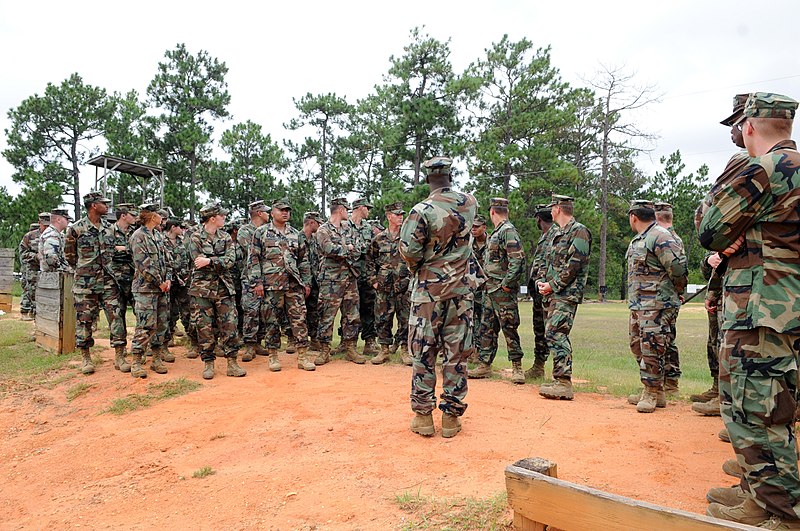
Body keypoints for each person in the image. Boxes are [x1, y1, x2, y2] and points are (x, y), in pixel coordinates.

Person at [700, 93, 800, 528]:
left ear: (750, 126)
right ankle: (759, 498)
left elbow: (709, 228)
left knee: (756, 412)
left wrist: (731, 233)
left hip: (762, 311)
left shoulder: (765, 169)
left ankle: (786, 513)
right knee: (772, 407)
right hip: (786, 306)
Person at [400, 156, 480, 438]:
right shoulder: (469, 203)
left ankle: (423, 417)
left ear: (427, 178)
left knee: (423, 352)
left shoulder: (420, 210)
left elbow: (409, 251)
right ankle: (451, 418)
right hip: (460, 293)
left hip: (428, 295)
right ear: (450, 175)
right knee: (456, 354)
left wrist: (419, 268)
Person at [625, 200, 687, 413]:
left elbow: (678, 269)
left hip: (658, 304)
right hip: (639, 304)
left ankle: (650, 391)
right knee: (637, 345)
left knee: (653, 348)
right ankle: (657, 390)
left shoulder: (661, 236)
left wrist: (677, 293)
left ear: (633, 216)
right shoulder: (639, 239)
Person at [537, 195, 592, 400]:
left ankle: (563, 382)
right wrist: (543, 282)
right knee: (551, 333)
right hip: (552, 293)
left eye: (552, 207)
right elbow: (546, 260)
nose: (550, 210)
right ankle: (558, 378)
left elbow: (574, 265)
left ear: (558, 209)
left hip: (566, 293)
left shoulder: (579, 231)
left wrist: (553, 285)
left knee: (556, 332)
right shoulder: (555, 233)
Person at [248, 199, 314, 371]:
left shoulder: (295, 234)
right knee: (271, 321)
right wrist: (257, 282)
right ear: (272, 213)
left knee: (299, 320)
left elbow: (304, 260)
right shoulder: (261, 233)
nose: (285, 213)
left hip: (293, 285)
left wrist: (306, 282)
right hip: (271, 286)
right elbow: (254, 259)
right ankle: (273, 356)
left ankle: (303, 356)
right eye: (281, 210)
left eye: (287, 210)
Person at [65, 192, 125, 376]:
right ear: (93, 206)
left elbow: (114, 252)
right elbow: (70, 256)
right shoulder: (76, 229)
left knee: (116, 317)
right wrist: (86, 270)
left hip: (108, 282)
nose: (107, 206)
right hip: (85, 283)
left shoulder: (110, 228)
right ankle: (86, 358)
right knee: (85, 321)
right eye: (103, 203)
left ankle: (120, 356)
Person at [468, 198, 526, 383]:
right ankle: (485, 364)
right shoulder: (498, 232)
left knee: (509, 328)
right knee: (486, 328)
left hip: (502, 291)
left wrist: (507, 284)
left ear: (493, 212)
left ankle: (517, 367)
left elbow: (517, 260)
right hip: (489, 289)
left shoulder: (508, 231)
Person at [188, 203, 247, 380]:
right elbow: (197, 261)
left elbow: (230, 261)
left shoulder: (226, 238)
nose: (224, 218)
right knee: (204, 327)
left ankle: (232, 363)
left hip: (224, 288)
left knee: (230, 325)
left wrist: (210, 261)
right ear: (213, 218)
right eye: (222, 216)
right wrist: (215, 261)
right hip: (202, 290)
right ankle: (208, 363)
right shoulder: (195, 237)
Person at [314, 197, 363, 365]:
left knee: (352, 315)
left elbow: (358, 250)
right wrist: (346, 248)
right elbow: (328, 249)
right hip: (331, 280)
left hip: (349, 278)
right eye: (346, 209)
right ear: (340, 210)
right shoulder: (323, 230)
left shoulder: (348, 229)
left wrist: (346, 250)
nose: (348, 213)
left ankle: (350, 348)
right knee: (327, 315)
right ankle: (324, 351)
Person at [128, 204, 173, 378]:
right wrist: (159, 282)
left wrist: (168, 278)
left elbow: (167, 260)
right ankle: (137, 361)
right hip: (145, 290)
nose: (162, 217)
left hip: (162, 289)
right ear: (153, 217)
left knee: (161, 324)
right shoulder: (138, 237)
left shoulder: (158, 236)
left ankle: (156, 359)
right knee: (145, 325)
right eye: (159, 214)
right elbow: (142, 264)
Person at [366, 201, 412, 365]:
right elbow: (369, 261)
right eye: (397, 214)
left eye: (402, 214)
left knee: (405, 318)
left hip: (403, 286)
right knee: (383, 319)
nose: (401, 217)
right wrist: (373, 281)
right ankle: (384, 349)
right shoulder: (379, 239)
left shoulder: (408, 238)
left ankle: (405, 350)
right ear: (388, 216)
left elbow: (416, 260)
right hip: (384, 286)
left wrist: (410, 279)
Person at [653, 201, 686, 397]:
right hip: (665, 296)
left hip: (666, 297)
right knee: (667, 338)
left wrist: (678, 291)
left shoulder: (668, 239)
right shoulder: (674, 238)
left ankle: (670, 382)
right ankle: (667, 381)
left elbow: (678, 270)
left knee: (665, 339)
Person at [525, 204, 555, 379]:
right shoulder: (545, 236)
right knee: (539, 328)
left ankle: (556, 371)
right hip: (539, 290)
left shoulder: (554, 235)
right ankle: (539, 366)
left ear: (539, 219)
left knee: (549, 330)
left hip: (547, 290)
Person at [238, 200, 271, 360]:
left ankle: (259, 341)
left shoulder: (268, 230)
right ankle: (249, 345)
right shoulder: (244, 231)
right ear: (259, 213)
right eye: (266, 212)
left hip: (268, 277)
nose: (268, 214)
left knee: (264, 311)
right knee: (251, 310)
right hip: (251, 278)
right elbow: (253, 252)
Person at [108, 203, 138, 370]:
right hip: (115, 280)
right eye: (132, 214)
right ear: (123, 215)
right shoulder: (109, 232)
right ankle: (120, 355)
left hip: (135, 279)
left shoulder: (136, 233)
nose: (135, 217)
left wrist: (124, 249)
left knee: (141, 314)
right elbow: (104, 252)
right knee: (117, 317)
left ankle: (139, 348)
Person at [163, 218, 197, 358]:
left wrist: (189, 276)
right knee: (167, 313)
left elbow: (190, 260)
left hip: (183, 282)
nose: (182, 230)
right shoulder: (161, 241)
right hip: (168, 283)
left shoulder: (183, 242)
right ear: (172, 228)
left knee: (188, 312)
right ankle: (165, 343)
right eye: (179, 227)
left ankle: (194, 343)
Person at [350, 198, 379, 357]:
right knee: (349, 310)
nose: (369, 210)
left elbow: (371, 250)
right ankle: (347, 343)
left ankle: (369, 341)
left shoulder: (368, 228)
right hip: (350, 274)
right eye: (367, 208)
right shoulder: (345, 225)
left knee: (369, 308)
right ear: (360, 208)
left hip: (366, 275)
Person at [300, 212, 323, 352]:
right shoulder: (297, 238)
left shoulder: (314, 241)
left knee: (314, 311)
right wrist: (304, 282)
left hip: (314, 282)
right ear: (311, 223)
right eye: (318, 223)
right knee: (298, 312)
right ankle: (294, 340)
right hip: (300, 282)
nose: (320, 226)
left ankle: (314, 339)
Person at [18, 213, 48, 320]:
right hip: (33, 272)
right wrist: (35, 256)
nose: (46, 228)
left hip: (50, 273)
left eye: (49, 225)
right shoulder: (30, 236)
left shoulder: (55, 235)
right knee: (33, 296)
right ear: (40, 223)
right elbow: (23, 254)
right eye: (45, 225)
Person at [469, 214, 488, 359]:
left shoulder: (492, 242)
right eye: (472, 227)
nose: (473, 230)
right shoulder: (468, 244)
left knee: (486, 322)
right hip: (472, 288)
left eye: (477, 227)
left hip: (488, 288)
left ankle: (484, 354)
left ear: (484, 228)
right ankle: (474, 352)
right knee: (472, 321)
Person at [39, 208, 72, 273]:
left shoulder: (58, 234)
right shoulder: (51, 235)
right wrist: (67, 270)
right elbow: (51, 259)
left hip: (56, 276)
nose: (68, 222)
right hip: (52, 277)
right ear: (58, 220)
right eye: (66, 219)